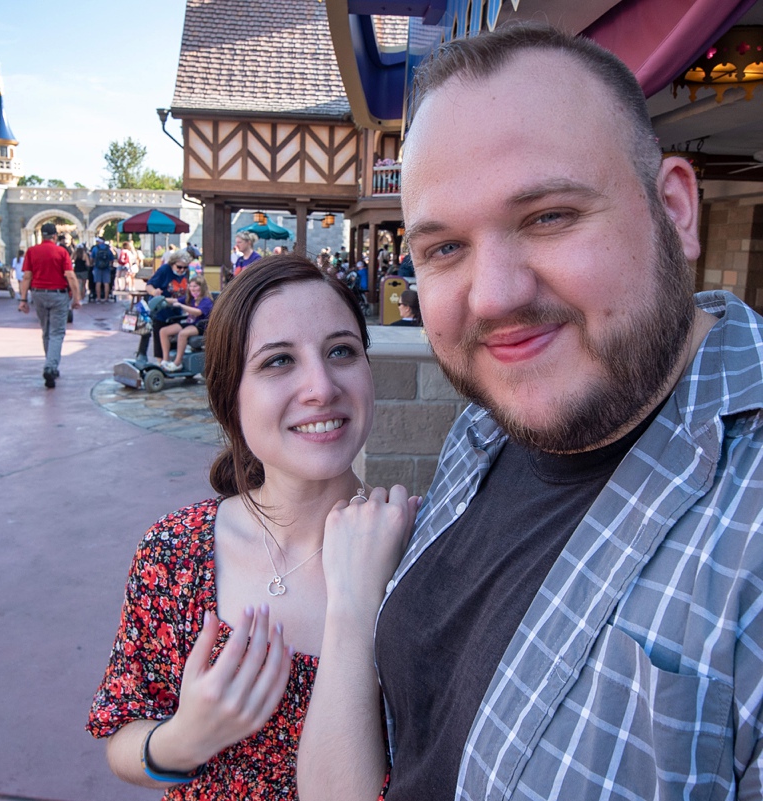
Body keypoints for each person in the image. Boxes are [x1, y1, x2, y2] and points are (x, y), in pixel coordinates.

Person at [298, 22, 763, 801]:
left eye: (548, 215)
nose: (497, 296)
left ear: (676, 210)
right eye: (444, 248)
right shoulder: (486, 427)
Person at [88, 256, 414, 799]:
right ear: (229, 397)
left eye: (341, 352)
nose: (321, 388)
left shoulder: (420, 552)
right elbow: (122, 733)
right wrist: (185, 739)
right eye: (278, 361)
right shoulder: (176, 551)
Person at [17, 222, 80, 389]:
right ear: (54, 236)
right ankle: (51, 366)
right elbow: (70, 276)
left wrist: (23, 299)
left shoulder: (32, 251)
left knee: (46, 330)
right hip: (58, 294)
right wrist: (77, 297)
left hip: (38, 293)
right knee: (57, 332)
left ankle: (50, 363)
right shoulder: (61, 252)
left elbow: (27, 277)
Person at [157, 275, 213, 371]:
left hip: (202, 325)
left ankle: (177, 363)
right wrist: (161, 299)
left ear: (202, 287)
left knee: (182, 334)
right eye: (191, 286)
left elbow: (198, 312)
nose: (192, 288)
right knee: (163, 331)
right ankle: (165, 360)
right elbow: (175, 300)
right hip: (191, 323)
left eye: (195, 286)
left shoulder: (206, 300)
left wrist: (182, 306)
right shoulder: (190, 298)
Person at [90, 237, 115, 302]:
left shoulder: (95, 248)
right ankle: (106, 298)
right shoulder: (108, 249)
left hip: (97, 267)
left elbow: (92, 258)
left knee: (98, 282)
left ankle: (98, 298)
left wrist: (91, 264)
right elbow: (112, 259)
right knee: (106, 283)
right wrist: (111, 265)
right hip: (106, 268)